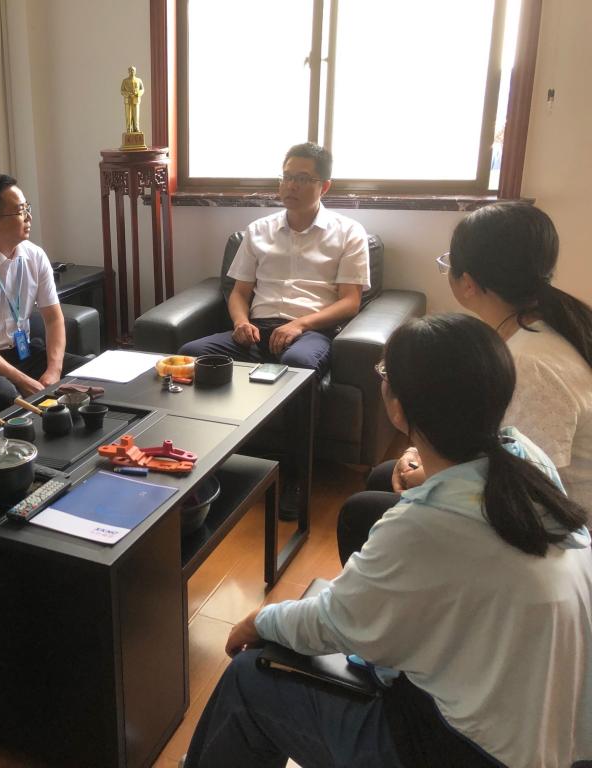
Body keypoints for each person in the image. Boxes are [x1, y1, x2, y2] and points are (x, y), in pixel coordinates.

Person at [185, 314, 592, 768]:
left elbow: (334, 621)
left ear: (399, 406)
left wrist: (260, 620)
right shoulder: (525, 459)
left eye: (384, 374)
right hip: (556, 730)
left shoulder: (424, 527)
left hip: (470, 752)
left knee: (249, 679)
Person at [337, 201, 592, 563]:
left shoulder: (532, 364)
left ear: (468, 282)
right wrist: (422, 454)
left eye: (448, 262)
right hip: (524, 499)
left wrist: (432, 475)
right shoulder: (542, 327)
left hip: (552, 537)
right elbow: (493, 437)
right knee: (384, 476)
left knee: (361, 512)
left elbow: (529, 484)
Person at [178, 142, 370, 375]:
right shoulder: (258, 230)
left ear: (325, 186)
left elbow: (350, 302)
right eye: (286, 177)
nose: (291, 186)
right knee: (192, 353)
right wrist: (241, 323)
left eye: (302, 179)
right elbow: (239, 292)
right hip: (258, 332)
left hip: (310, 333)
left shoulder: (349, 232)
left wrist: (299, 324)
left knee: (297, 361)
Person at [0, 174, 86, 411]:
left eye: (27, 208)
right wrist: (21, 379)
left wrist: (54, 370)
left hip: (23, 352)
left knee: (91, 374)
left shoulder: (35, 255)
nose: (29, 217)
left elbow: (53, 318)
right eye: (20, 211)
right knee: (7, 396)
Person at [120, 65, 144, 134]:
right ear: (128, 72)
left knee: (136, 114)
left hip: (136, 100)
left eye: (133, 70)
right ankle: (129, 128)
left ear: (135, 71)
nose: (132, 71)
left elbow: (142, 89)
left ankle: (136, 127)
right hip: (128, 100)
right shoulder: (125, 81)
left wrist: (137, 93)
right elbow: (122, 90)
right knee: (128, 115)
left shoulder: (139, 80)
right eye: (130, 70)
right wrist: (128, 94)